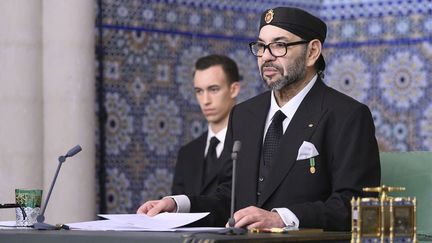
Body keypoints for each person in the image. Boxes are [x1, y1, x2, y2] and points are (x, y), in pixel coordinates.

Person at [137, 7, 380, 231]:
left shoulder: (347, 115)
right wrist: (179, 206)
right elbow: (229, 198)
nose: (266, 56)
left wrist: (280, 219)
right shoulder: (244, 115)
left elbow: (358, 206)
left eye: (279, 45)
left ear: (312, 52)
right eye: (261, 47)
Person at [171, 54, 240, 196]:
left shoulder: (252, 145)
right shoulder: (187, 153)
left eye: (213, 89)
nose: (205, 100)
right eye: (199, 91)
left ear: (234, 89)